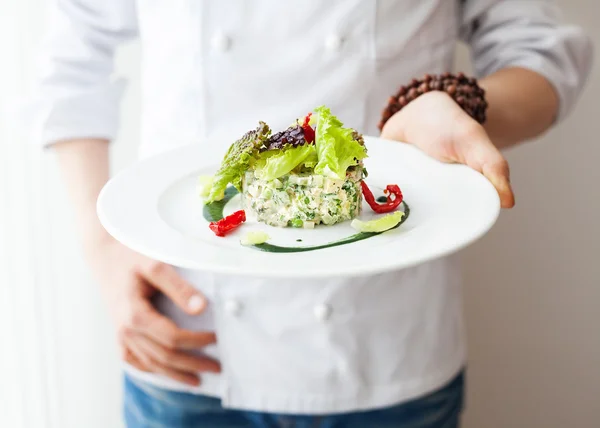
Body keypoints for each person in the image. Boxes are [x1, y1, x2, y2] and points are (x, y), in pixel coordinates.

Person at [30, 1, 592, 427]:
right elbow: (70, 63)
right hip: (186, 341)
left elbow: (542, 53)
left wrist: (457, 105)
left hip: (386, 350)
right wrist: (103, 253)